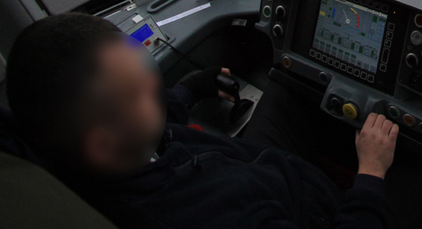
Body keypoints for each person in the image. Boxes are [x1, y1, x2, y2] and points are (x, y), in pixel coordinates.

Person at [4, 13, 398, 229]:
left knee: (282, 89)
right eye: (140, 92)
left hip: (256, 172)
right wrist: (371, 175)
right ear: (103, 143)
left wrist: (194, 86)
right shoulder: (203, 216)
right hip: (307, 207)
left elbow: (162, 128)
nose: (155, 87)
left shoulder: (113, 153)